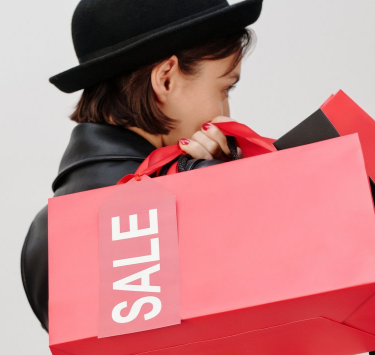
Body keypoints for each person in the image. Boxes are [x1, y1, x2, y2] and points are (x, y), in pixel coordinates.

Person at [21, 0, 264, 331]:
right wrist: (223, 183)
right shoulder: (192, 191)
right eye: (224, 88)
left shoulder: (43, 233)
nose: (226, 112)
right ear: (165, 79)